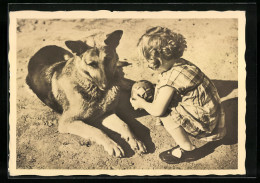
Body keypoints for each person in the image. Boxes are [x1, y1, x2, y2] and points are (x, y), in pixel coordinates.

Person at [130, 26, 226, 164]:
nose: (147, 65)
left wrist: (141, 103)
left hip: (206, 123)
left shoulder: (170, 80)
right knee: (165, 100)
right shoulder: (182, 64)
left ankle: (188, 149)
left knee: (165, 113)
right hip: (213, 114)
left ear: (158, 59)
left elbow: (157, 110)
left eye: (148, 61)